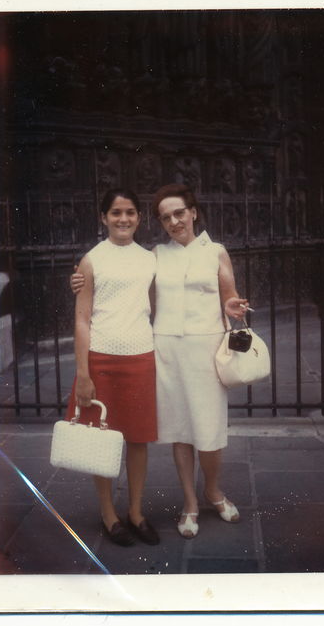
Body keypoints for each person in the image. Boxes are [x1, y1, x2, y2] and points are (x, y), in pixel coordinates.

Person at [72, 183, 247, 539]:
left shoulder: (202, 253)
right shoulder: (150, 256)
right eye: (166, 217)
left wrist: (231, 307)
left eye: (179, 213)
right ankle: (165, 507)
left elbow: (229, 296)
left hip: (188, 349)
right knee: (165, 432)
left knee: (196, 431)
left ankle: (199, 495)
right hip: (153, 351)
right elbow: (110, 297)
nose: (173, 221)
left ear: (193, 211)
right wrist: (78, 280)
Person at [67, 188, 159, 547]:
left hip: (140, 356)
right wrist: (84, 373)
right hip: (101, 359)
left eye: (131, 212)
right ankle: (109, 515)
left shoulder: (149, 259)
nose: (123, 219)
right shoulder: (91, 260)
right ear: (104, 217)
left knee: (138, 439)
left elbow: (152, 306)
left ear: (139, 218)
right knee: (100, 441)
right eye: (116, 212)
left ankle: (135, 512)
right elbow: (82, 319)